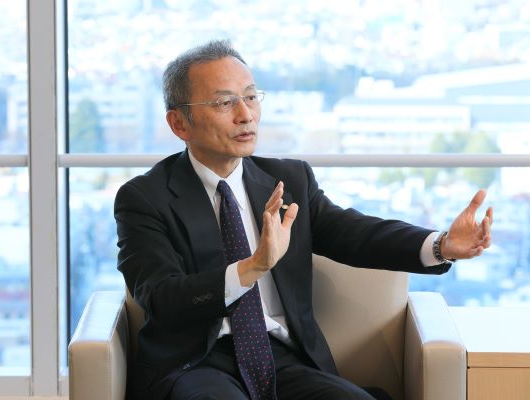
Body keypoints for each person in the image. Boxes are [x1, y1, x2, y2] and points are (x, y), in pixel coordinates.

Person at [114, 39, 493, 400]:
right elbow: (160, 298)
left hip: (281, 358)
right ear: (179, 124)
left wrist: (441, 245)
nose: (246, 115)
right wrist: (252, 267)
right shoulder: (145, 198)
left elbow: (355, 234)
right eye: (225, 103)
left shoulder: (288, 180)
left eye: (251, 97)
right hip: (196, 364)